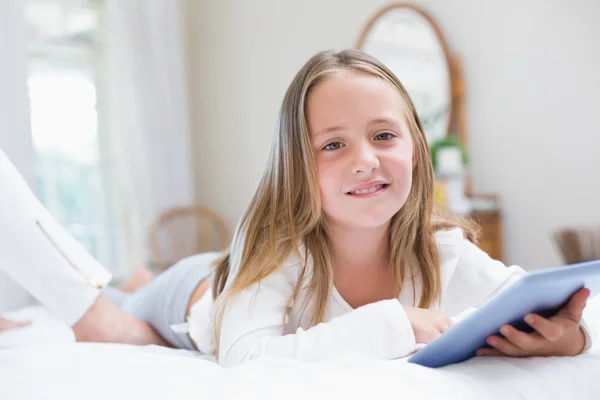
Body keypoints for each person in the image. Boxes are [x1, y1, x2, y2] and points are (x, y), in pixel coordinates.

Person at [0, 49, 595, 367]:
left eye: (384, 136)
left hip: (224, 275)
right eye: (333, 145)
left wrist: (567, 338)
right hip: (198, 295)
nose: (366, 159)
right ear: (298, 171)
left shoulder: (442, 250)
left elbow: (527, 297)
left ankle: (135, 277)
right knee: (125, 319)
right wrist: (392, 323)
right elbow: (244, 356)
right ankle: (136, 283)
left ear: (415, 148)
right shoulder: (282, 255)